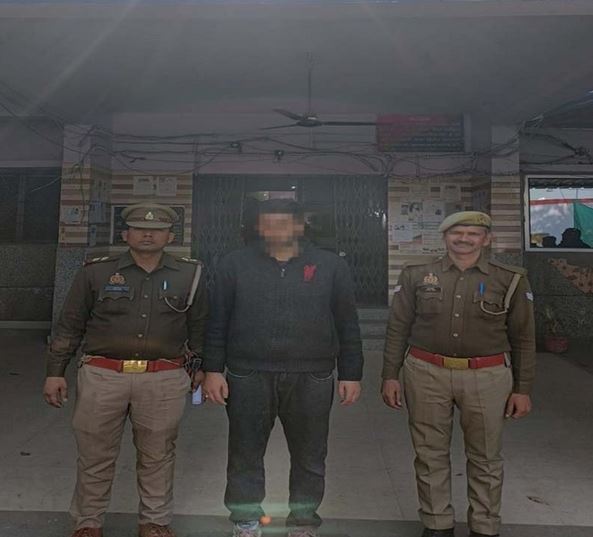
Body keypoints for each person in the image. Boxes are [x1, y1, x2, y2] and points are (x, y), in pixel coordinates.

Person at [43, 203, 208, 537]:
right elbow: (70, 324)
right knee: (94, 454)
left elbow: (201, 327)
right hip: (103, 376)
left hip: (163, 378)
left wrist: (202, 369)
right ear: (125, 234)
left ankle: (154, 522)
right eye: (139, 228)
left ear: (170, 237)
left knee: (158, 454)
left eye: (157, 230)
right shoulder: (96, 272)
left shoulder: (189, 275)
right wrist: (55, 371)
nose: (148, 234)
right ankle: (88, 523)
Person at [202, 199, 364, 537]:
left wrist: (351, 373)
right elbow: (217, 321)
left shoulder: (330, 265)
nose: (276, 229)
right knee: (245, 452)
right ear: (258, 227)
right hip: (248, 373)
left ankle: (303, 523)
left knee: (310, 455)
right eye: (268, 223)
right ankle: (246, 521)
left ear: (300, 226)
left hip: (312, 375)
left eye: (284, 222)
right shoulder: (234, 264)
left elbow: (347, 323)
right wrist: (213, 370)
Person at [381, 211, 536, 537]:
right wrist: (390, 375)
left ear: (486, 239)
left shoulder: (509, 279)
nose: (464, 239)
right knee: (429, 454)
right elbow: (398, 328)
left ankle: (484, 526)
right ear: (445, 237)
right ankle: (437, 524)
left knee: (486, 457)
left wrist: (522, 388)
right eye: (456, 232)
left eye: (473, 233)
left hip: (488, 375)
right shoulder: (416, 274)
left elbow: (523, 337)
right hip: (425, 372)